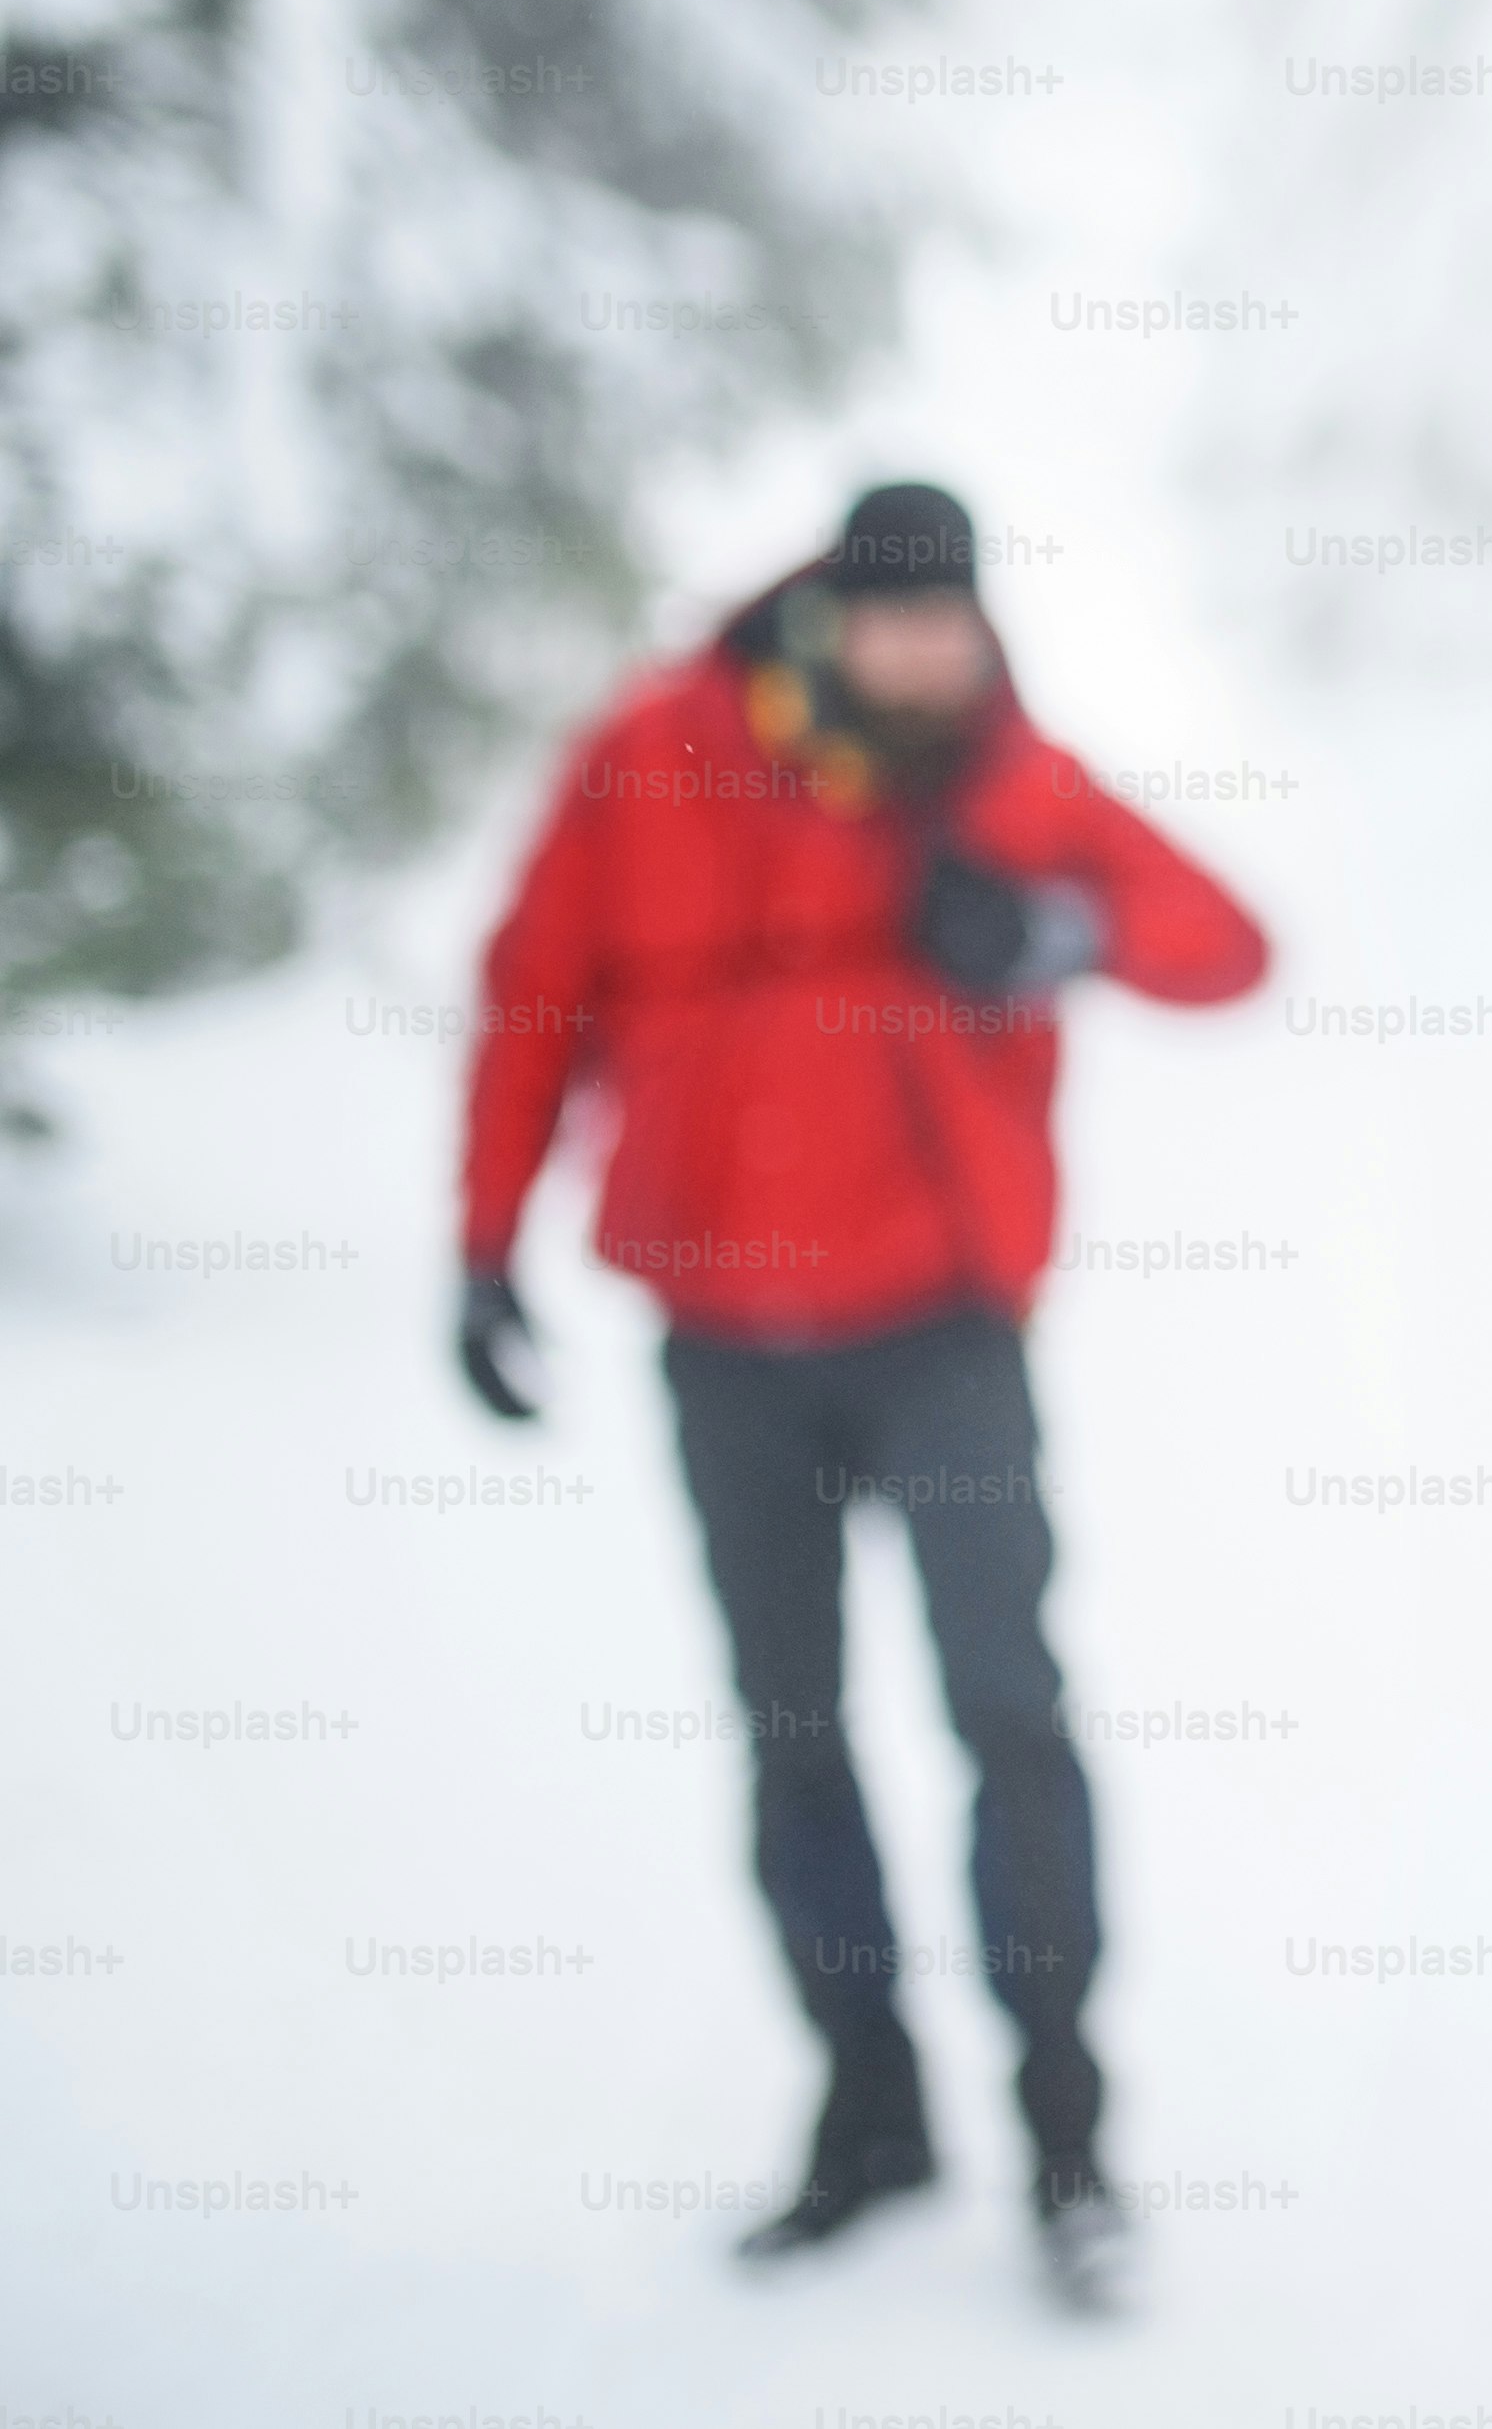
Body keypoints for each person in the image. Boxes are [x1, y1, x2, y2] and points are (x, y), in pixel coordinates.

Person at [455, 480, 1266, 2310]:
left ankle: (1068, 2140)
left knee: (1008, 1711)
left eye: (953, 626)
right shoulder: (655, 751)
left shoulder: (1006, 781)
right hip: (727, 1348)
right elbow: (532, 992)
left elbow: (1226, 944)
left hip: (942, 1340)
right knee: (792, 1732)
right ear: (830, 612)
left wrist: (1050, 933)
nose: (925, 655)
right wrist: (484, 1245)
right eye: (896, 622)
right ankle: (870, 2115)